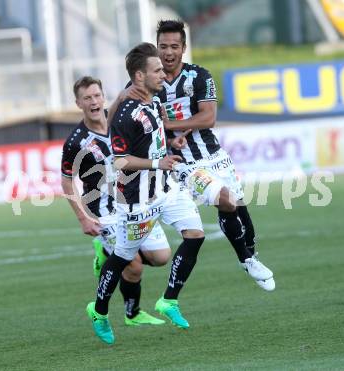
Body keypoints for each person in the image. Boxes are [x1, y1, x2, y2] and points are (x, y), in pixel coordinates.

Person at [87, 42, 208, 345]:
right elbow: (120, 161)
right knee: (123, 258)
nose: (163, 74)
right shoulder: (126, 115)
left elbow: (155, 133)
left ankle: (169, 300)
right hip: (137, 199)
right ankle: (99, 311)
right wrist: (158, 161)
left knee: (195, 234)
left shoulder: (154, 99)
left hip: (166, 189)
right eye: (156, 70)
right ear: (139, 77)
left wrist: (170, 144)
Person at [155, 19, 275, 291]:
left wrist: (172, 125)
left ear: (183, 48)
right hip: (181, 162)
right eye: (163, 46)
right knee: (225, 200)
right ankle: (245, 258)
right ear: (157, 48)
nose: (169, 52)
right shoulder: (149, 81)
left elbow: (208, 117)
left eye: (174, 46)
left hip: (213, 155)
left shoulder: (199, 76)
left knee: (246, 224)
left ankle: (250, 256)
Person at [61, 76, 170, 327]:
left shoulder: (121, 119)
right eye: (87, 98)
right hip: (104, 209)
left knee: (161, 257)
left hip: (134, 199)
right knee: (133, 266)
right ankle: (133, 313)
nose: (94, 101)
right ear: (78, 103)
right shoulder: (76, 142)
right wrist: (83, 218)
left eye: (97, 95)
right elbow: (67, 181)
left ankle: (106, 254)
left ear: (103, 96)